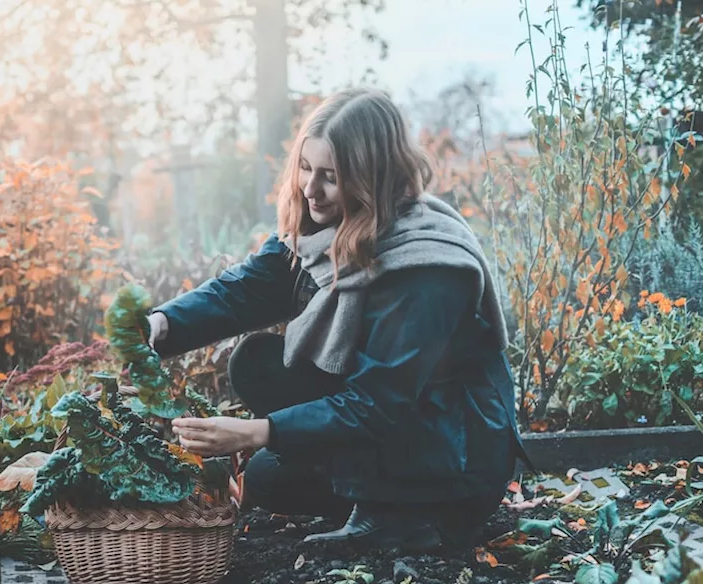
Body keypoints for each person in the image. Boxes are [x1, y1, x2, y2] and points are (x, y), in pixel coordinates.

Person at [148, 88, 525, 552]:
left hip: (454, 451)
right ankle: (373, 492)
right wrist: (161, 325)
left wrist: (255, 432)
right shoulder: (326, 228)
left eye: (331, 176)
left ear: (372, 177)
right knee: (262, 414)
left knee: (270, 464)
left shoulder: (426, 264)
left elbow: (379, 401)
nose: (310, 189)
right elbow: (245, 289)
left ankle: (411, 516)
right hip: (393, 426)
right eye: (305, 168)